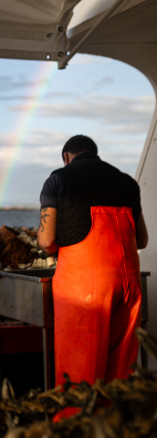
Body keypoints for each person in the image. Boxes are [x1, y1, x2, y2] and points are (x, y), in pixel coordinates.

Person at [38, 134, 148, 392]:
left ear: (66, 157)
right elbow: (141, 240)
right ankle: (115, 429)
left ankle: (75, 430)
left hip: (84, 290)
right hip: (129, 286)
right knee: (121, 373)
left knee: (79, 375)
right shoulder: (126, 183)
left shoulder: (58, 179)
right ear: (94, 153)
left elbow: (46, 240)